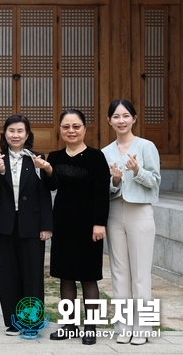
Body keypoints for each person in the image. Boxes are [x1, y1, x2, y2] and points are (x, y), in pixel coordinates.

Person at [43, 108, 110, 345]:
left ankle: (90, 326)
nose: (71, 131)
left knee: (89, 278)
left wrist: (99, 223)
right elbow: (50, 186)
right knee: (66, 277)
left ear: (84, 128)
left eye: (76, 126)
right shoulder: (54, 157)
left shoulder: (96, 157)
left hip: (89, 226)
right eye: (66, 127)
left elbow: (102, 194)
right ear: (60, 129)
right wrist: (48, 170)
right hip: (62, 223)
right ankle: (68, 325)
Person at [102, 99, 160, 345]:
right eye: (116, 116)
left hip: (140, 213)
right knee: (119, 273)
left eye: (126, 116)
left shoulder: (146, 146)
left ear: (134, 118)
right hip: (115, 213)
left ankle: (144, 327)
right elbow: (104, 189)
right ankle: (123, 327)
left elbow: (155, 181)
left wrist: (137, 171)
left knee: (141, 274)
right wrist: (114, 180)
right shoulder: (105, 152)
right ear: (109, 121)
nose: (121, 121)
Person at [0, 114, 53, 336]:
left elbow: (45, 193)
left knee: (32, 274)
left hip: (32, 225)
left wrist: (46, 226)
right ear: (5, 134)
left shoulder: (36, 158)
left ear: (27, 135)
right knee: (7, 274)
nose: (16, 135)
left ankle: (32, 323)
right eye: (11, 131)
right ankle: (13, 322)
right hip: (5, 224)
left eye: (20, 131)